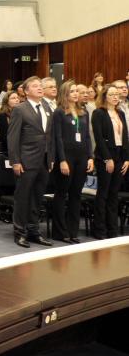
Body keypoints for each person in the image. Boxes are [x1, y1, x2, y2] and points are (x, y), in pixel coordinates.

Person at [7, 76, 54, 248]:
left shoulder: (47, 107)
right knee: (23, 198)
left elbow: (49, 136)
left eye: (40, 86)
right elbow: (12, 138)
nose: (40, 88)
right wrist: (15, 161)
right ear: (26, 91)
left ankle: (34, 231)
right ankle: (20, 232)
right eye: (35, 86)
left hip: (44, 160)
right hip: (26, 161)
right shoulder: (20, 109)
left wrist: (52, 158)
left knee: (37, 198)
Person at [50, 80, 92, 243]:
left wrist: (90, 157)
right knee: (61, 194)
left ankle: (73, 231)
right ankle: (60, 232)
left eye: (77, 91)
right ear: (65, 94)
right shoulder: (59, 112)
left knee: (76, 195)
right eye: (72, 91)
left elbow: (87, 137)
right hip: (66, 157)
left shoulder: (84, 112)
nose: (75, 93)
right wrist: (62, 160)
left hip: (81, 157)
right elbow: (58, 138)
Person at [91, 84, 129, 239]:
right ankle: (99, 230)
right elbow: (99, 139)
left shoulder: (120, 113)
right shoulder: (98, 113)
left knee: (114, 194)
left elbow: (125, 137)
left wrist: (127, 158)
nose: (116, 97)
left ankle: (112, 229)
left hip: (120, 155)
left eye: (117, 94)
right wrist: (107, 158)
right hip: (105, 156)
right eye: (112, 94)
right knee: (103, 194)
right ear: (104, 96)